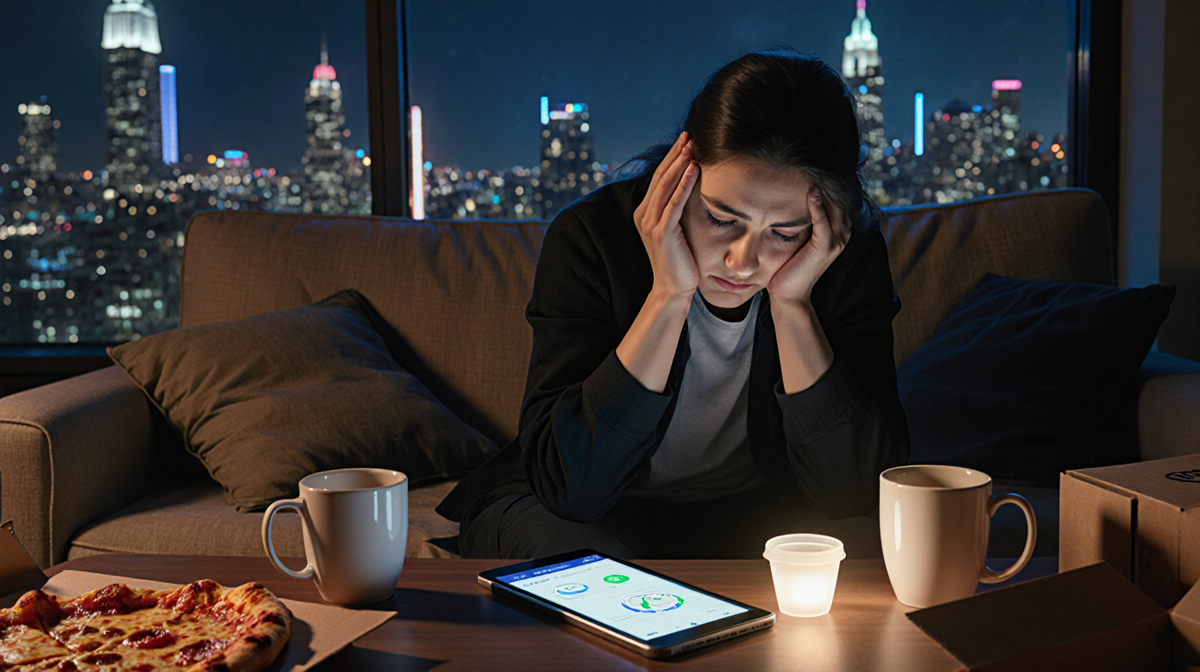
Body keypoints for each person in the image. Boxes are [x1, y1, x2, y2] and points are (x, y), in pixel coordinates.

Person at [437, 49, 910, 559]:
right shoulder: (592, 238)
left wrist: (793, 305)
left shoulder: (843, 256)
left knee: (862, 548)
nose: (743, 261)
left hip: (756, 512)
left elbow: (856, 494)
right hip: (588, 513)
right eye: (721, 218)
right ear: (682, 171)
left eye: (784, 232)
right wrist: (668, 295)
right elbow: (573, 489)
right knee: (573, 563)